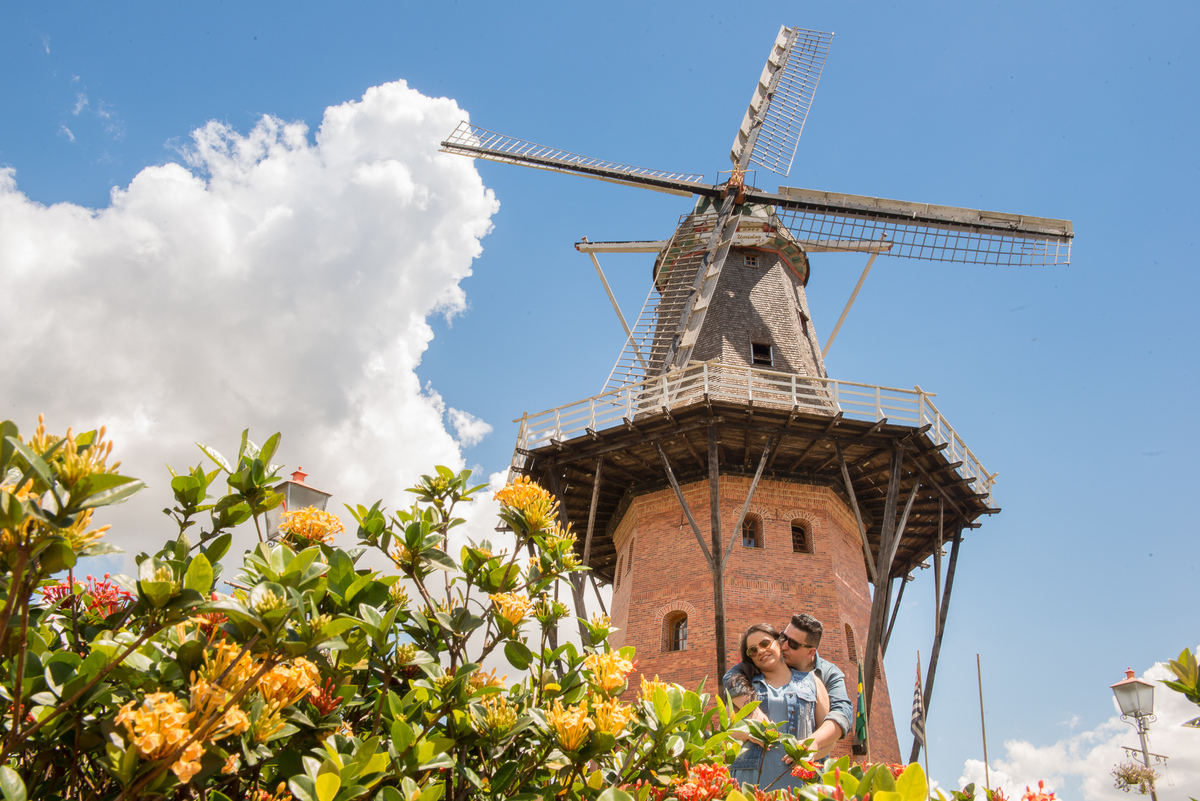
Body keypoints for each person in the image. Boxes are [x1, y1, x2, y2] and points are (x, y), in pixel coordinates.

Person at [723, 613, 852, 760]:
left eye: (793, 644)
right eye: (783, 637)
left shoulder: (824, 677)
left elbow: (841, 715)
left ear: (810, 652)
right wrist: (752, 713)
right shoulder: (749, 680)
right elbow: (730, 678)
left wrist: (811, 746)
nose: (784, 645)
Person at [726, 623, 829, 793]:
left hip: (801, 782)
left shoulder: (813, 683)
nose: (760, 651)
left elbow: (829, 739)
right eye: (753, 650)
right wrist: (751, 733)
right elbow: (727, 735)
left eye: (765, 643)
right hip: (751, 781)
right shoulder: (743, 691)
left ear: (780, 642)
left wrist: (808, 754)